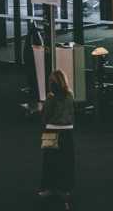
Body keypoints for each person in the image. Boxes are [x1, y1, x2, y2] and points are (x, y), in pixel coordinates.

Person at [39, 69, 75, 206]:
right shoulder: (70, 96)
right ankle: (65, 190)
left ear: (52, 82)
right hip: (67, 133)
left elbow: (45, 114)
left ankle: (48, 188)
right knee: (66, 162)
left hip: (51, 130)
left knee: (49, 161)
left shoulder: (51, 97)